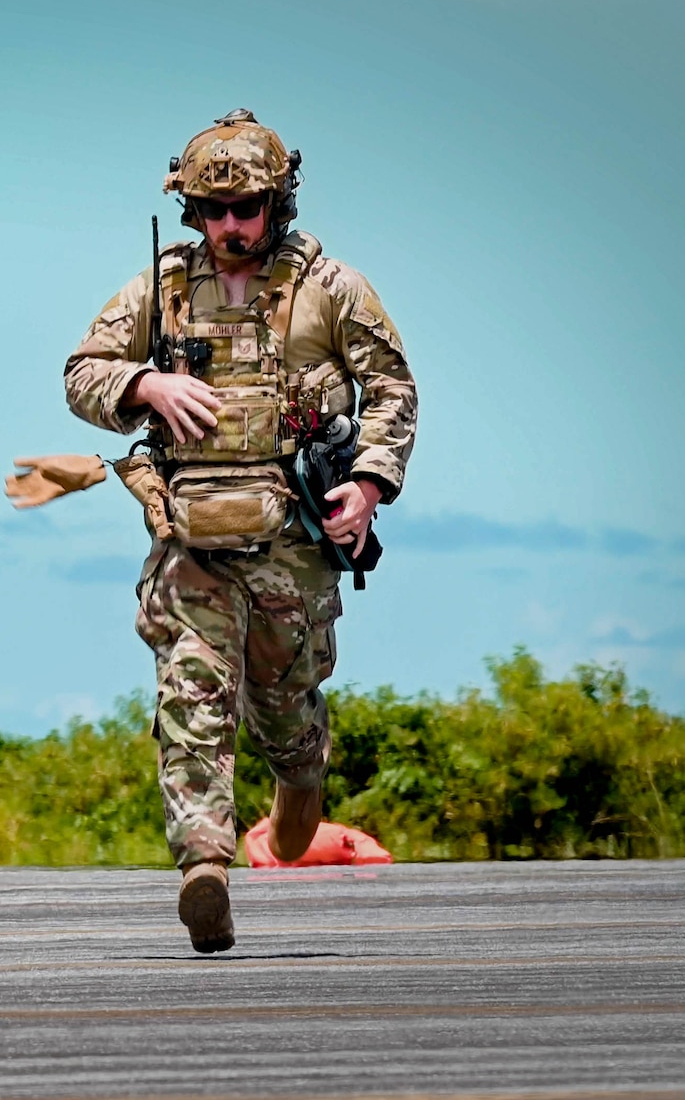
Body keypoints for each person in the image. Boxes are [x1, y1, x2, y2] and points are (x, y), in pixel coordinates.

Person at [61, 109, 418, 953]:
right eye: (214, 211)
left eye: (246, 208)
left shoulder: (331, 290)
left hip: (293, 541)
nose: (230, 226)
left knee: (284, 712)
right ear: (190, 210)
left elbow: (394, 392)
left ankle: (300, 784)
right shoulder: (161, 286)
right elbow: (82, 371)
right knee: (190, 697)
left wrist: (367, 485)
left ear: (276, 203)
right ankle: (204, 866)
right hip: (191, 543)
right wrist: (144, 386)